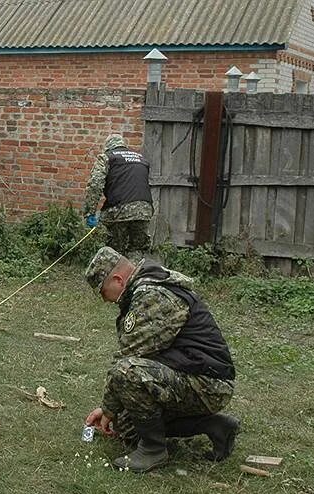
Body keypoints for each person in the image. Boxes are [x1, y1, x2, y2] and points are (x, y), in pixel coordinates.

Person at [82, 246, 239, 473]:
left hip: (208, 383)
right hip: (188, 373)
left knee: (126, 371)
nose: (106, 300)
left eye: (103, 292)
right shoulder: (146, 288)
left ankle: (154, 450)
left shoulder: (152, 296)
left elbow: (129, 357)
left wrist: (107, 408)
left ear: (117, 279)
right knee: (127, 427)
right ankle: (214, 425)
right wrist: (111, 410)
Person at [83, 134, 154, 261]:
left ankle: (115, 278)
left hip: (119, 210)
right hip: (144, 209)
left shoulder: (107, 158)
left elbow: (95, 185)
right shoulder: (142, 159)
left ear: (108, 147)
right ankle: (133, 277)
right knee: (136, 249)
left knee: (115, 250)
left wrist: (90, 213)